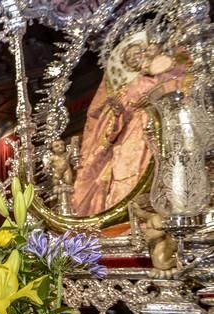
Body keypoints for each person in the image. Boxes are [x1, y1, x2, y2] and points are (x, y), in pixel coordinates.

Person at [72, 30, 191, 216]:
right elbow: (114, 128)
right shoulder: (129, 88)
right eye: (130, 59)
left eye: (137, 53)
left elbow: (182, 90)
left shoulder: (168, 74)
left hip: (162, 126)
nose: (135, 59)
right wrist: (118, 113)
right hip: (131, 137)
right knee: (127, 177)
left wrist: (155, 95)